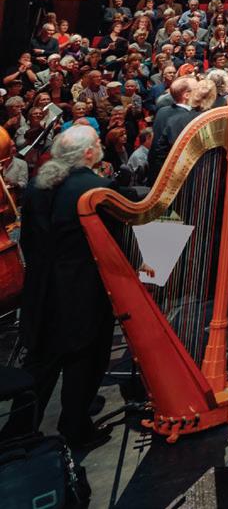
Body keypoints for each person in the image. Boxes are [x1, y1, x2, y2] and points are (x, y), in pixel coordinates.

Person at [0, 126, 119, 450]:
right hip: (82, 291)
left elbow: (30, 239)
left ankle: (19, 432)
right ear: (89, 153)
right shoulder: (97, 188)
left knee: (42, 362)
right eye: (98, 143)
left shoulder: (38, 184)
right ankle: (76, 426)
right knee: (85, 360)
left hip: (41, 288)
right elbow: (116, 243)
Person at [148, 74, 198, 177]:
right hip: (175, 174)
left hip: (158, 171)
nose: (200, 92)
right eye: (197, 89)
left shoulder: (162, 111)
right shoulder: (187, 117)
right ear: (186, 95)